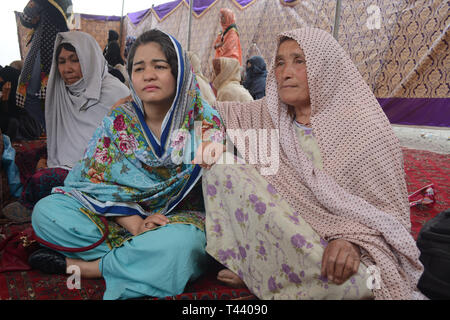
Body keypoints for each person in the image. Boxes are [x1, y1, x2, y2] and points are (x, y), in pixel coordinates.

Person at [199, 27, 426, 299]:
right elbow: (209, 111)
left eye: (299, 61)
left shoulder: (365, 129)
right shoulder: (269, 115)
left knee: (367, 282)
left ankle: (262, 271)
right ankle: (260, 265)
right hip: (287, 231)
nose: (285, 72)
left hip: (334, 248)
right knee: (221, 166)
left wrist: (352, 242)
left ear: (324, 67)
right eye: (280, 62)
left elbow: (389, 218)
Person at [29, 29, 225, 300]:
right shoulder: (119, 119)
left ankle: (90, 267)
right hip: (122, 219)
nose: (148, 75)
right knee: (47, 212)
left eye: (160, 66)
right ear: (130, 75)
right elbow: (92, 181)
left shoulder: (202, 117)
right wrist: (135, 224)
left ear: (179, 72)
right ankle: (140, 257)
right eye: (139, 67)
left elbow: (220, 185)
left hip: (176, 220)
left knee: (181, 245)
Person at [2, 31, 130, 222]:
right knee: (27, 159)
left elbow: (127, 144)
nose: (67, 69)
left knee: (45, 178)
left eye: (74, 60)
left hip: (102, 169)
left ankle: (34, 206)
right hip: (70, 162)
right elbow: (61, 137)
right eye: (62, 62)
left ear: (90, 60)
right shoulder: (62, 92)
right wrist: (49, 156)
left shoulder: (115, 93)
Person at [16, 0, 73, 130]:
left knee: (29, 94)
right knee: (58, 97)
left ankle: (46, 129)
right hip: (63, 50)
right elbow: (69, 24)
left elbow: (25, 17)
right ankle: (52, 130)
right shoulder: (67, 2)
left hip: (43, 48)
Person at [0, 65, 42, 141]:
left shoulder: (22, 97)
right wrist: (4, 100)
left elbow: (13, 115)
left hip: (24, 128)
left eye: (2, 82)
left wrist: (5, 99)